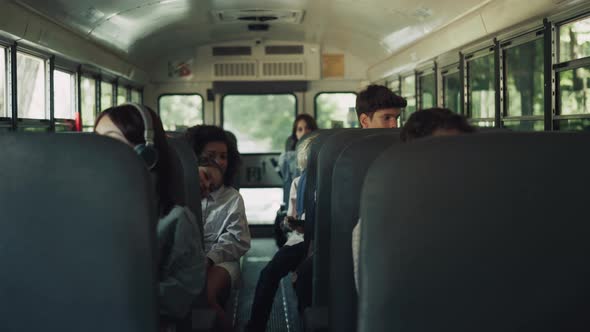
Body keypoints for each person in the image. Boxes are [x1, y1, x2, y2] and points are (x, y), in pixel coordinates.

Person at [94, 104, 206, 330]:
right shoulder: (82, 212)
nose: (99, 151)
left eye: (111, 141)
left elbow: (180, 296)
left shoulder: (175, 220)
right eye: (96, 142)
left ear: (146, 154)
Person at [352, 107, 476, 291]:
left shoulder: (483, 207)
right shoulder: (378, 225)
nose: (452, 163)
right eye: (440, 155)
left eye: (459, 153)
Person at [245, 133, 318, 332]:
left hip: (323, 241)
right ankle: (255, 326)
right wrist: (290, 223)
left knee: (304, 279)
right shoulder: (298, 183)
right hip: (301, 239)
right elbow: (294, 218)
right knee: (268, 274)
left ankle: (306, 322)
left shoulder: (334, 183)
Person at [184, 125, 251, 332]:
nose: (219, 162)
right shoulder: (181, 193)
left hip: (221, 260)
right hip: (185, 259)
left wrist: (209, 258)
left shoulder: (232, 198)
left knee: (205, 294)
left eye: (223, 156)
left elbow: (237, 240)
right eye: (211, 155)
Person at [275, 114, 318, 247]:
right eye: (300, 129)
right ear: (295, 134)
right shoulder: (288, 158)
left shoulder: (323, 152)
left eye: (308, 128)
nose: (304, 132)